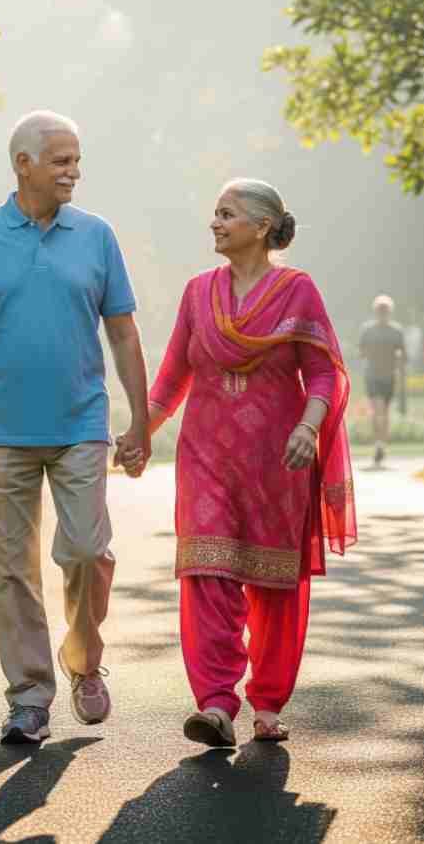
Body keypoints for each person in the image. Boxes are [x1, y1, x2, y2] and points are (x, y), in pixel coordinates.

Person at [0, 110, 150, 746]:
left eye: (76, 159)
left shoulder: (97, 236)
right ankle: (28, 696)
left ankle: (82, 660)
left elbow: (124, 331)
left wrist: (140, 416)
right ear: (22, 164)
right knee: (12, 568)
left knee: (85, 551)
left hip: (81, 423)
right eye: (60, 160)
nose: (73, 170)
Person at [120, 178, 356, 747]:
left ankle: (268, 700)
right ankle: (217, 703)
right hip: (205, 456)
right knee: (207, 572)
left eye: (226, 214)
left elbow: (323, 371)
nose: (216, 224)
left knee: (273, 582)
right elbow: (174, 375)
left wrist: (309, 425)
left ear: (261, 226)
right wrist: (138, 432)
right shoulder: (198, 292)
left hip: (278, 458)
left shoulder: (298, 291)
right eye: (215, 215)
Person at [359, 295, 405, 466]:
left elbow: (401, 354)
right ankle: (378, 444)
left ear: (389, 312)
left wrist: (397, 369)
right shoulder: (367, 330)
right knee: (378, 410)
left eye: (385, 310)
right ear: (376, 311)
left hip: (388, 376)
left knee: (383, 412)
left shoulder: (396, 331)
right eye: (380, 310)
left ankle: (381, 445)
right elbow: (362, 352)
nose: (382, 313)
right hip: (373, 376)